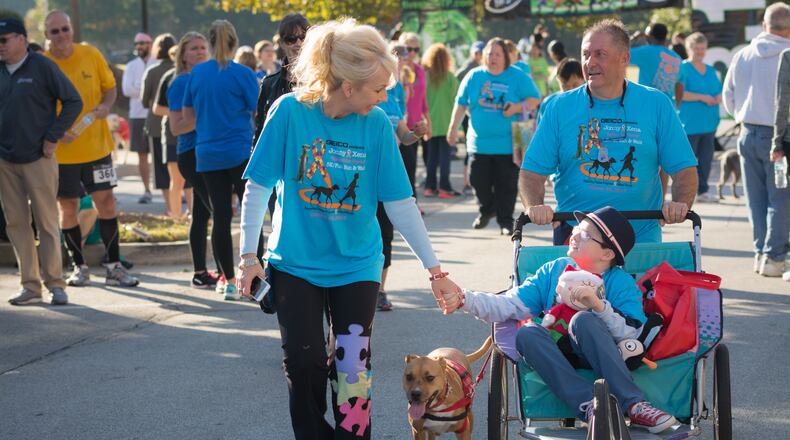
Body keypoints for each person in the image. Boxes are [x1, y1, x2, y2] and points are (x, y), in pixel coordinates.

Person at [236, 19, 462, 439]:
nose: (384, 96)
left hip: (357, 267)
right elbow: (258, 186)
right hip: (295, 264)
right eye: (378, 88)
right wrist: (248, 258)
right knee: (304, 365)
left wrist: (435, 271)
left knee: (352, 369)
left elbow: (400, 204)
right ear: (347, 84)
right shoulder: (288, 112)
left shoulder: (375, 124)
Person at [440, 206, 678, 434]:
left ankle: (634, 405)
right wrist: (464, 299)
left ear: (607, 253)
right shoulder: (553, 270)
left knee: (583, 320)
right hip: (555, 351)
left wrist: (598, 306)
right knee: (527, 333)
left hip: (602, 350)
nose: (573, 234)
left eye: (584, 234)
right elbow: (509, 305)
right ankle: (590, 406)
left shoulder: (621, 282)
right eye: (576, 229)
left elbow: (631, 335)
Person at [519, 19, 698, 245]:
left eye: (600, 54)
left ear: (624, 58)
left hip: (640, 237)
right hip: (576, 236)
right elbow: (531, 173)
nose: (589, 62)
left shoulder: (656, 104)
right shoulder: (558, 107)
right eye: (585, 54)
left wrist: (680, 203)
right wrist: (535, 205)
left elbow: (684, 169)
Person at [44, 10, 139, 287]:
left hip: (97, 149)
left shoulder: (90, 53)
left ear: (72, 30)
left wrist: (107, 106)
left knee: (106, 204)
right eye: (54, 31)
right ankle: (79, 267)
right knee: (68, 208)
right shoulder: (43, 64)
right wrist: (55, 131)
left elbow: (109, 88)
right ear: (46, 35)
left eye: (65, 29)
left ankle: (114, 266)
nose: (61, 35)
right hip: (62, 153)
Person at [0, 17, 82, 305]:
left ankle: (56, 284)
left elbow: (74, 101)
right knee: (17, 223)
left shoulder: (42, 66)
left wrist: (53, 137)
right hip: (4, 160)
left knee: (46, 222)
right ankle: (30, 286)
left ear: (22, 40)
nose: (0, 46)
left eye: (4, 40)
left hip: (39, 157)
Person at [183, 19, 259, 300]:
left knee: (221, 218)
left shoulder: (197, 73)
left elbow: (189, 115)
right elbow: (257, 111)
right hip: (239, 152)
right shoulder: (243, 73)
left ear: (211, 41)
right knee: (250, 218)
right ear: (234, 41)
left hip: (208, 153)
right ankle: (253, 284)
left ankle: (228, 281)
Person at [447, 38, 541, 235]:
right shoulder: (474, 76)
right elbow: (461, 103)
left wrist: (516, 107)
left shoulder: (517, 76)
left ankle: (506, 221)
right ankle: (486, 210)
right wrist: (453, 128)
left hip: (507, 144)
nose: (493, 58)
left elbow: (535, 99)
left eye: (497, 54)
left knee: (506, 186)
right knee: (478, 181)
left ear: (506, 57)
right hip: (478, 144)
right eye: (489, 54)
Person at [723, 2, 790, 277]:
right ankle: (773, 257)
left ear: (765, 25)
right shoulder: (786, 55)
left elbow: (728, 97)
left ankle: (761, 252)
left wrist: (741, 115)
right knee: (780, 199)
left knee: (756, 200)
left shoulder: (743, 54)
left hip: (746, 132)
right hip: (779, 136)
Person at [160, 31, 219, 289]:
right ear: (182, 55)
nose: (200, 52)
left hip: (212, 153)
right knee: (220, 213)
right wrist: (208, 113)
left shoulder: (209, 78)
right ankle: (226, 273)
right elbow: (176, 127)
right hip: (191, 154)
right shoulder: (180, 83)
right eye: (194, 48)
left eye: (203, 47)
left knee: (202, 213)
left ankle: (200, 272)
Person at [374, 43, 429, 310]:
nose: (400, 65)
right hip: (362, 175)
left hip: (388, 174)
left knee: (386, 233)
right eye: (396, 60)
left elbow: (403, 136)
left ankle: (380, 290)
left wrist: (416, 133)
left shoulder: (395, 94)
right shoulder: (370, 89)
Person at [252, 13, 310, 219]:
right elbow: (260, 130)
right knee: (280, 225)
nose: (298, 43)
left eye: (303, 37)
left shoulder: (325, 81)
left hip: (311, 167)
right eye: (291, 38)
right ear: (283, 43)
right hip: (277, 166)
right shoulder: (269, 83)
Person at [677, 32, 722, 204]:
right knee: (687, 162)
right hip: (689, 124)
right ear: (689, 49)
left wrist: (718, 97)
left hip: (709, 124)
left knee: (705, 160)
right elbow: (680, 94)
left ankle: (703, 191)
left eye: (703, 48)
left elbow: (718, 90)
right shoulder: (683, 68)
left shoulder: (710, 70)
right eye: (696, 48)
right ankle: (684, 194)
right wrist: (702, 97)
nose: (700, 51)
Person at [152, 44, 191, 221]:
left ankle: (195, 216)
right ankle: (176, 217)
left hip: (193, 134)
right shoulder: (170, 77)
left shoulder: (197, 76)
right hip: (172, 135)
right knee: (177, 180)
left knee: (192, 182)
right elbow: (157, 108)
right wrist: (178, 113)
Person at [141, 33, 176, 213]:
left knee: (162, 169)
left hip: (156, 124)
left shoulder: (152, 71)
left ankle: (170, 207)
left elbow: (144, 99)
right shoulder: (181, 70)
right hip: (183, 125)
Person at [121, 32, 157, 204]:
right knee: (142, 155)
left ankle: (170, 190)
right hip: (137, 116)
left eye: (143, 43)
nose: (140, 46)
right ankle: (147, 190)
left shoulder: (157, 63)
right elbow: (127, 90)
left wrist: (141, 89)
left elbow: (159, 91)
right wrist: (148, 91)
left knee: (162, 155)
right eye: (137, 43)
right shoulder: (130, 66)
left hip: (157, 115)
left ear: (151, 44)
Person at [422, 43, 460, 199]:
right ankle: (444, 187)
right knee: (445, 157)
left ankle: (429, 187)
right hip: (447, 123)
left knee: (431, 156)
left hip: (429, 122)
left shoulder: (424, 76)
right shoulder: (450, 78)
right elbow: (457, 100)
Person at [399, 32, 431, 190]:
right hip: (399, 125)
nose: (411, 53)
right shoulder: (397, 71)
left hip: (416, 126)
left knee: (412, 167)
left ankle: (413, 204)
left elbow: (423, 99)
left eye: (415, 49)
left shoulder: (419, 70)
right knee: (403, 168)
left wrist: (428, 123)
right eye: (408, 48)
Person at [455, 40, 485, 196]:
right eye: (476, 52)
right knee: (469, 148)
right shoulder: (470, 67)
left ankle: (470, 181)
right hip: (469, 113)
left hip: (478, 113)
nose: (478, 55)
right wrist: (466, 104)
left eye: (480, 52)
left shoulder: (484, 68)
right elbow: (457, 78)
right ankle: (466, 181)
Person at [629, 23, 682, 103]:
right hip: (667, 106)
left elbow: (620, 53)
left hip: (646, 104)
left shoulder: (645, 52)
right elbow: (680, 84)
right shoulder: (677, 58)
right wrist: (676, 106)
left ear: (650, 37)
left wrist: (634, 37)